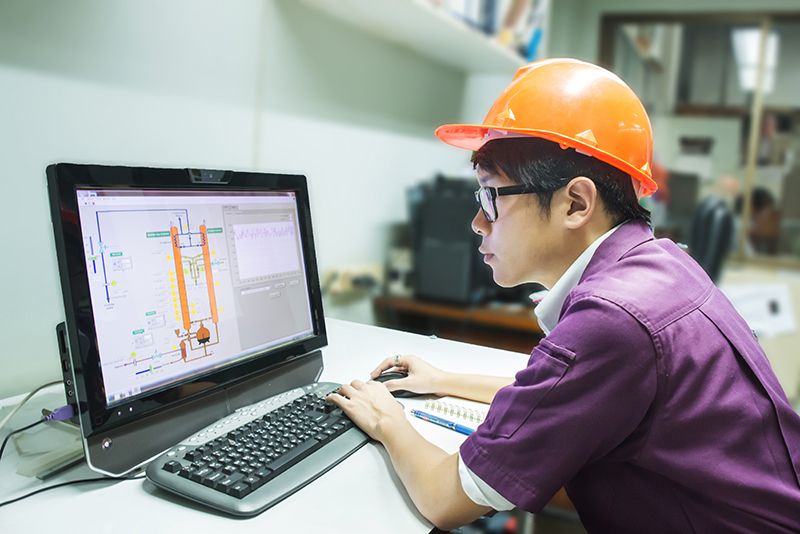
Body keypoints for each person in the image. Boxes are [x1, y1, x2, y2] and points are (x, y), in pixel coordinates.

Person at [326, 59, 800, 533]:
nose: (477, 222)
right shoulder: (663, 265)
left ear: (575, 203)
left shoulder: (614, 320)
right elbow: (566, 396)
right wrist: (444, 380)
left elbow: (445, 498)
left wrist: (387, 419)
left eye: (491, 195)